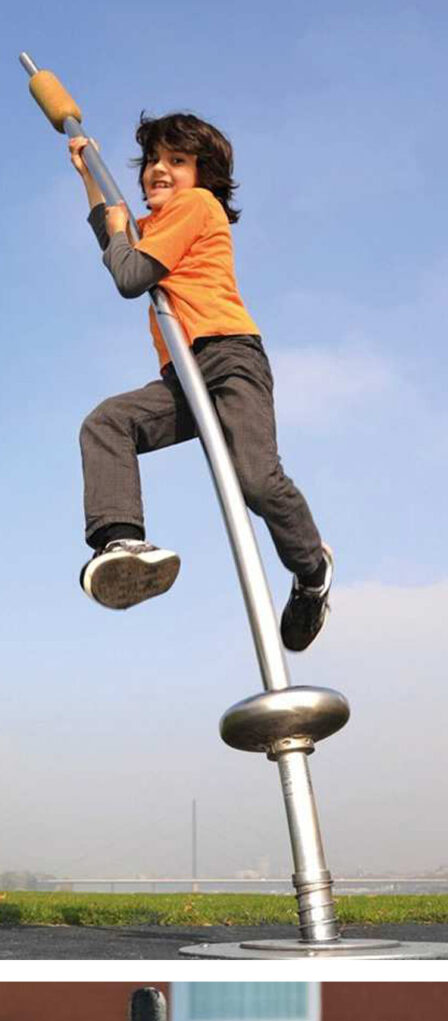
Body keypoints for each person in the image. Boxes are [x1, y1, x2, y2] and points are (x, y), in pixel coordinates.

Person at [71, 114, 333, 651]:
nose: (158, 170)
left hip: (229, 356)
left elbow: (128, 275)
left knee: (256, 480)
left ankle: (311, 571)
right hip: (183, 375)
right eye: (152, 160)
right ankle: (123, 543)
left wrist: (121, 229)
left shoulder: (197, 206)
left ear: (204, 174)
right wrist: (88, 176)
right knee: (108, 423)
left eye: (177, 161)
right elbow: (114, 238)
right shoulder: (160, 224)